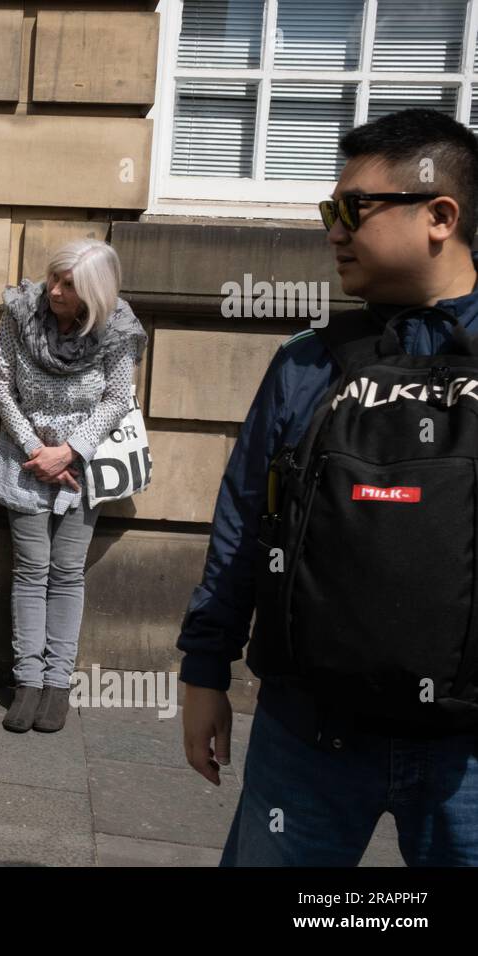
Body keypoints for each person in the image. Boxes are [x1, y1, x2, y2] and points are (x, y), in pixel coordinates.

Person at [178, 108, 478, 865]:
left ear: (440, 215)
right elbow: (244, 521)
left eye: (353, 209)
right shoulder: (310, 360)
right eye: (328, 211)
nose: (333, 229)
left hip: (466, 754)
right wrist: (204, 669)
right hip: (307, 734)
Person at [0, 239, 146, 733]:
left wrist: (69, 451)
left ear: (94, 291)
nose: (54, 290)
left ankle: (58, 684)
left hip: (83, 465)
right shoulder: (20, 313)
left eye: (68, 284)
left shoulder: (117, 329)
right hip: (26, 459)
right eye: (53, 278)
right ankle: (27, 683)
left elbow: (118, 398)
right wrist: (38, 451)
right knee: (31, 569)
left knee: (67, 571)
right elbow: (2, 385)